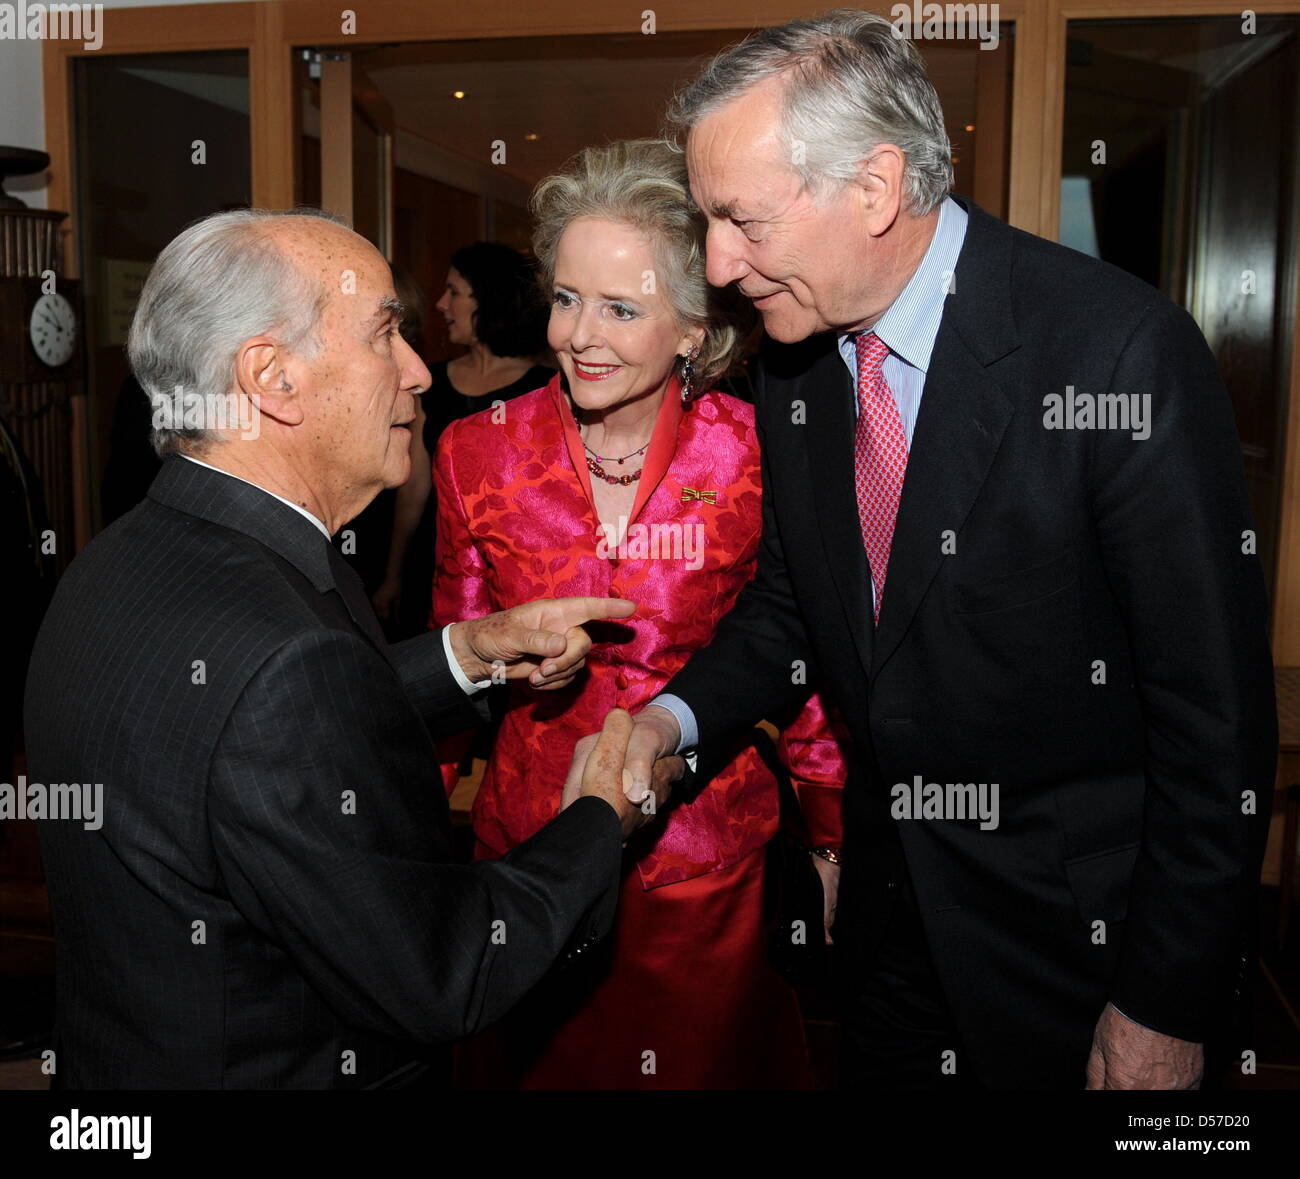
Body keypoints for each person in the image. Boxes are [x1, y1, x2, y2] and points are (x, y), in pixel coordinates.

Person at [609, 11, 1277, 1090]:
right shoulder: (799, 366)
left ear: (874, 188)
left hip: (1083, 952)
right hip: (887, 933)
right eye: (705, 223)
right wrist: (667, 718)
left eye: (742, 221)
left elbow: (1217, 723)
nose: (721, 265)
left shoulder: (1113, 353)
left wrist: (1164, 999)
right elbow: (794, 607)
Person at [23, 207, 677, 1089]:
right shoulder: (282, 658)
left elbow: (250, 743)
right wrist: (599, 821)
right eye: (383, 334)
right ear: (273, 378)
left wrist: (467, 652)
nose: (416, 371)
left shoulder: (118, 560)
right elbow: (443, 972)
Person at [433, 139, 848, 1089]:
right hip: (527, 861)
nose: (581, 335)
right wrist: (410, 833)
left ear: (694, 332)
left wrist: (829, 837)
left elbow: (797, 655)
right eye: (569, 297)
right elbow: (449, 663)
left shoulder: (754, 455)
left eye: (622, 308)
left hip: (703, 868)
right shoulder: (474, 453)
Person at [373, 243, 554, 634]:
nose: (441, 304)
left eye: (454, 292)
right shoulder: (429, 382)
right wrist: (394, 573)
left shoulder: (548, 388)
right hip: (433, 556)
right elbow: (414, 487)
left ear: (488, 299)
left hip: (510, 567)